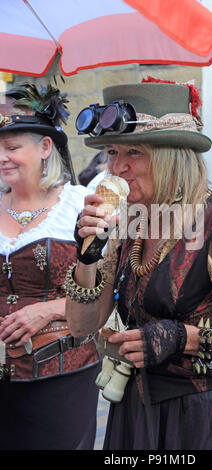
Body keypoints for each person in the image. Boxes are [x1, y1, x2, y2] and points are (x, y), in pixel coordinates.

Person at [65, 80, 212, 450]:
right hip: (136, 414)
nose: (117, 166)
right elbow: (81, 325)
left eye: (134, 153)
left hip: (207, 419)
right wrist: (87, 256)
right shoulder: (129, 222)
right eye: (111, 151)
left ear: (173, 154)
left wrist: (183, 338)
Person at [0, 83, 101, 450]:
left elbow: (115, 290)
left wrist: (47, 310)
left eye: (12, 147)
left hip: (63, 376)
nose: (2, 157)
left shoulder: (81, 206)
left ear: (45, 147)